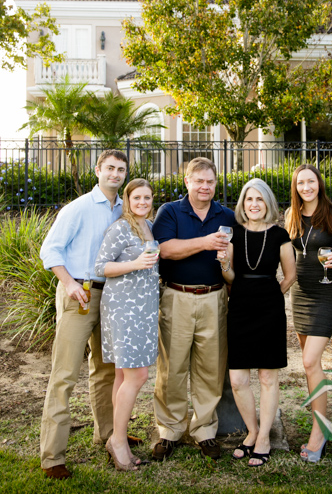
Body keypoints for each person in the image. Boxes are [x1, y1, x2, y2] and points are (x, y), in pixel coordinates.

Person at [39, 150, 128, 480]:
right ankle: (52, 456)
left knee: (104, 370)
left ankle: (106, 435)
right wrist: (68, 283)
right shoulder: (77, 208)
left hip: (111, 296)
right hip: (79, 293)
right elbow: (50, 250)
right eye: (110, 168)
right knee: (64, 375)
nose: (115, 174)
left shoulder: (125, 209)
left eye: (121, 169)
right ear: (97, 170)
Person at [152, 157, 236, 461]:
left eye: (210, 182)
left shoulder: (226, 215)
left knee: (210, 367)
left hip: (215, 297)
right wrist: (204, 243)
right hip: (177, 296)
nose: (205, 187)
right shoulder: (171, 211)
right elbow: (165, 250)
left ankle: (204, 430)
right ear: (186, 181)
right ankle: (170, 430)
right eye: (198, 181)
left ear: (215, 183)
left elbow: (233, 258)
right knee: (172, 367)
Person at [221, 178, 296, 467]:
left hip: (269, 310)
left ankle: (264, 436)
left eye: (259, 199)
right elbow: (229, 276)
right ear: (243, 204)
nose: (254, 204)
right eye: (249, 199)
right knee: (238, 379)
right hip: (239, 308)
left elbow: (290, 276)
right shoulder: (233, 234)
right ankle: (251, 431)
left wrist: (270, 295)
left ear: (268, 203)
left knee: (267, 376)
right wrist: (223, 265)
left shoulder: (280, 235)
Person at [94, 178, 159, 471]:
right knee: (137, 376)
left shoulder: (147, 226)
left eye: (147, 198)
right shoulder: (120, 228)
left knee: (123, 376)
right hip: (123, 309)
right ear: (128, 201)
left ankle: (115, 438)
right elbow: (101, 267)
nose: (142, 202)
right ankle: (118, 441)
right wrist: (135, 264)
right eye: (137, 198)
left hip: (143, 309)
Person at [284, 164, 332, 463]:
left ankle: (319, 433)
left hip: (327, 294)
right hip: (301, 294)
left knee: (309, 361)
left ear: (319, 184)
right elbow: (287, 251)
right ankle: (318, 421)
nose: (305, 187)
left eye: (310, 182)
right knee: (312, 366)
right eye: (300, 183)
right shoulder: (291, 215)